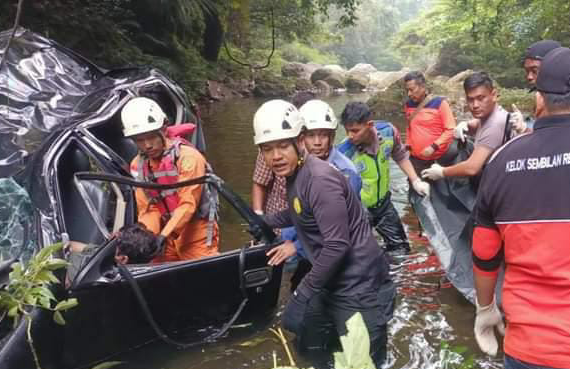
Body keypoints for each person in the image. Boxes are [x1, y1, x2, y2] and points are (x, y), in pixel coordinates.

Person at [254, 99, 396, 368]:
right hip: (330, 280)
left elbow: (337, 245)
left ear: (299, 141)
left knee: (364, 361)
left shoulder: (319, 179)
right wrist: (267, 220)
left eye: (283, 145)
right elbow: (300, 210)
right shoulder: (296, 173)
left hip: (359, 286)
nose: (275, 156)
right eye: (267, 149)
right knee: (309, 348)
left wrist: (302, 293)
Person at [471, 47, 570, 369]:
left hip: (529, 348)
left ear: (540, 98)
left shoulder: (502, 161)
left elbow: (484, 254)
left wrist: (485, 308)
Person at [121, 97, 219, 262]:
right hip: (164, 232)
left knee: (202, 277)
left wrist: (164, 235)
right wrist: (148, 237)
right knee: (160, 279)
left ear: (164, 128)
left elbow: (189, 204)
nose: (147, 145)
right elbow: (148, 209)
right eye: (139, 140)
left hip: (196, 232)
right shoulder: (138, 165)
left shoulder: (188, 158)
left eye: (151, 137)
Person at [266, 99, 361, 268]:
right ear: (301, 138)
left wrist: (295, 247)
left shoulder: (344, 173)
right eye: (311, 135)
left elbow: (338, 229)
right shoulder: (299, 164)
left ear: (331, 137)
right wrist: (267, 222)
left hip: (322, 249)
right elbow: (302, 209)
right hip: (298, 240)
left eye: (323, 135)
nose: (317, 142)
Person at [338, 102, 430, 254]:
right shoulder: (344, 152)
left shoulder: (388, 132)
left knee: (401, 249)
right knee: (363, 255)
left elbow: (400, 155)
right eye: (347, 131)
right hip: (359, 211)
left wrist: (415, 180)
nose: (350, 136)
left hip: (383, 204)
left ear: (369, 125)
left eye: (355, 130)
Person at [422, 72, 510, 182]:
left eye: (480, 98)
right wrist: (465, 125)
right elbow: (479, 124)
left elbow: (472, 168)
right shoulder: (493, 115)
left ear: (493, 95)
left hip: (499, 186)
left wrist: (442, 172)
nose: (475, 105)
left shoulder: (495, 125)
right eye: (470, 99)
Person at [67, 223, 160, 283]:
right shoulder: (105, 254)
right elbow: (72, 245)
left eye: (114, 239)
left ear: (122, 259)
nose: (110, 235)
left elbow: (65, 282)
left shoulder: (97, 278)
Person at [403, 71, 456, 172]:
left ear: (423, 87)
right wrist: (408, 144)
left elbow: (450, 129)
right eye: (407, 90)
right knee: (415, 186)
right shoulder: (408, 105)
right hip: (415, 159)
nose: (409, 94)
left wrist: (434, 146)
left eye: (411, 90)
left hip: (437, 159)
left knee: (439, 187)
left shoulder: (440, 103)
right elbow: (410, 126)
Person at [509, 39, 563, 132]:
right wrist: (524, 129)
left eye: (535, 71)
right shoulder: (540, 98)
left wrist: (524, 129)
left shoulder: (562, 102)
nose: (529, 77)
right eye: (527, 71)